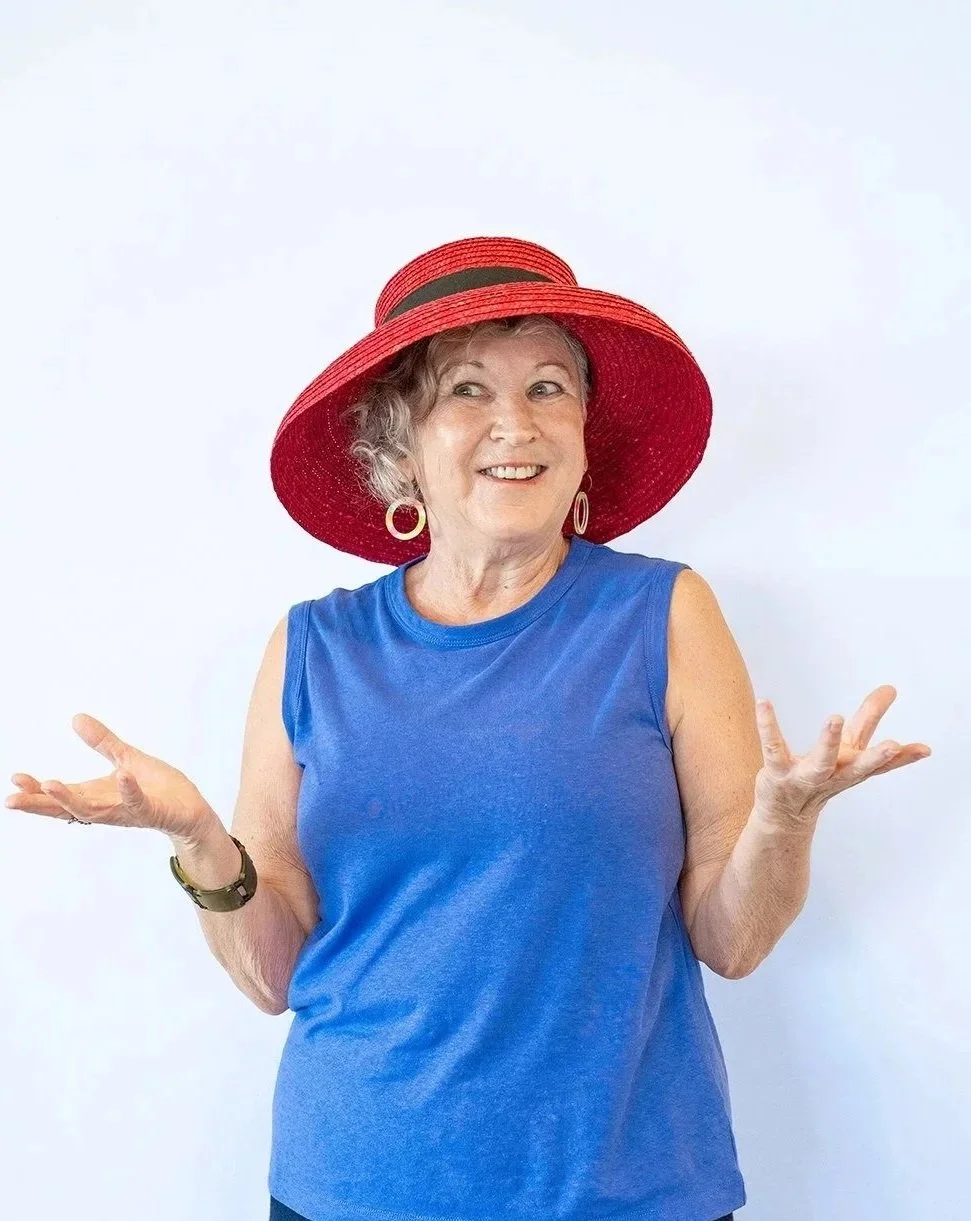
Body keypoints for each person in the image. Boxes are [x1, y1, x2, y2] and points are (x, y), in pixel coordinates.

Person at [6, 236, 931, 1221]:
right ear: (398, 445)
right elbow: (271, 976)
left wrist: (783, 821)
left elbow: (731, 941)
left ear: (582, 435)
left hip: (623, 1191)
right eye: (466, 390)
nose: (514, 423)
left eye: (547, 388)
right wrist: (199, 839)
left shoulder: (662, 614)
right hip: (352, 1186)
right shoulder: (314, 646)